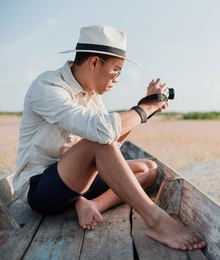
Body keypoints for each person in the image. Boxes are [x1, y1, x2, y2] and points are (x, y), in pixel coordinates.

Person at [12, 24, 206, 251]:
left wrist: (146, 108)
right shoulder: (48, 86)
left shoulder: (93, 98)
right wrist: (144, 109)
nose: (117, 79)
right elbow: (101, 134)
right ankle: (156, 220)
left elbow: (111, 142)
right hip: (42, 188)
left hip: (78, 183)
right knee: (97, 139)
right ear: (94, 62)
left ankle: (91, 205)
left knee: (149, 169)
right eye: (116, 70)